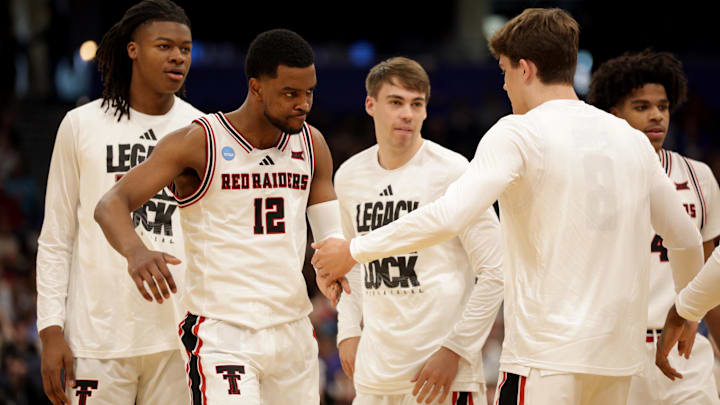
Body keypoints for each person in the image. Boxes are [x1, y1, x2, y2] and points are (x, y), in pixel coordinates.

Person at [311, 8, 705, 405]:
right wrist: (687, 311)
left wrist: (355, 249)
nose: (504, 85)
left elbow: (449, 215)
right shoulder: (630, 139)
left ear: (526, 69)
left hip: (544, 359)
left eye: (504, 72)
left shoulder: (519, 131)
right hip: (618, 361)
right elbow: (686, 237)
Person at [94, 28, 342, 405]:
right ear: (256, 87)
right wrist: (135, 251)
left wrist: (335, 272)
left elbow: (331, 242)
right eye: (290, 93)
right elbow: (111, 203)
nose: (302, 104)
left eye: (309, 92)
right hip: (224, 334)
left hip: (293, 330)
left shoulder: (313, 144)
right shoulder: (201, 141)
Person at [36, 1, 202, 404]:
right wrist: (50, 329)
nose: (178, 56)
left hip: (176, 336)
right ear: (132, 50)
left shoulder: (201, 129)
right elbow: (57, 237)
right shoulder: (81, 124)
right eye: (164, 46)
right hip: (96, 336)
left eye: (185, 48)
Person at [333, 56, 504, 405]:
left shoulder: (455, 170)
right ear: (371, 104)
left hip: (441, 376)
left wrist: (455, 350)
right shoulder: (349, 176)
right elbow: (349, 264)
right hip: (375, 376)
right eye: (396, 102)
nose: (407, 114)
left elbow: (496, 270)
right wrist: (348, 331)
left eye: (417, 104)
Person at [587, 50, 720, 404]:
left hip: (685, 343)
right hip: (613, 350)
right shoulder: (590, 181)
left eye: (662, 105)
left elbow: (710, 276)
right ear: (615, 114)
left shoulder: (698, 176)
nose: (657, 115)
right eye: (641, 107)